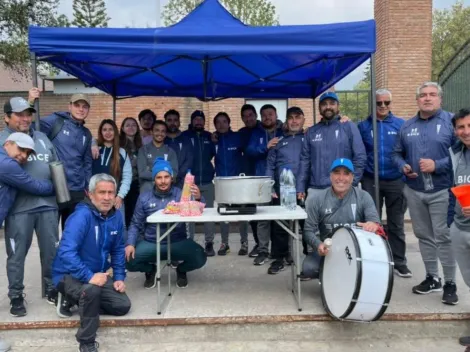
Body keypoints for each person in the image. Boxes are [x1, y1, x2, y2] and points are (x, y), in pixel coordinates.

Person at [392, 81, 458, 305]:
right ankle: (432, 277)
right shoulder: (407, 126)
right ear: (417, 100)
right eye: (423, 95)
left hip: (443, 190)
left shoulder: (452, 123)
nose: (427, 98)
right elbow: (396, 153)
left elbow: (462, 156)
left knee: (443, 236)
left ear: (440, 98)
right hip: (414, 190)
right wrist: (403, 166)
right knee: (424, 236)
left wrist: (437, 165)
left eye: (432, 95)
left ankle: (450, 282)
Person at [52, 173, 130, 352]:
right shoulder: (81, 216)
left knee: (122, 305)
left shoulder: (115, 217)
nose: (107, 197)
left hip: (97, 275)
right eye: (102, 192)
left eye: (111, 193)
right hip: (69, 274)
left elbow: (118, 250)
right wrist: (89, 276)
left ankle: (77, 299)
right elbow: (66, 252)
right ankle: (86, 343)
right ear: (90, 194)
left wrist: (118, 277)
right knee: (91, 291)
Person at [0, 97, 59, 316]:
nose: (25, 118)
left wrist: (61, 188)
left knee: (51, 251)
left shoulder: (42, 138)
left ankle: (52, 288)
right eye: (19, 114)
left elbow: (55, 165)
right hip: (18, 210)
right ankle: (16, 295)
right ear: (7, 117)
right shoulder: (2, 142)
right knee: (16, 255)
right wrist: (50, 188)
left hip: (48, 208)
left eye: (28, 114)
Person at [125, 158, 207, 289]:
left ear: (172, 178)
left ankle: (181, 270)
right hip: (152, 242)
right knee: (127, 259)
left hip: (177, 241)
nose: (163, 181)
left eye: (166, 177)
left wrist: (197, 197)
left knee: (200, 256)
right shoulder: (144, 197)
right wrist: (130, 244)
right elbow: (135, 224)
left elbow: (199, 209)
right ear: (154, 179)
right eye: (159, 177)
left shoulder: (180, 194)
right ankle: (150, 270)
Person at [358, 89, 411, 278]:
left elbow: (406, 151)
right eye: (378, 103)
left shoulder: (401, 125)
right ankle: (376, 260)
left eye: (386, 103)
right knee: (372, 222)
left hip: (396, 180)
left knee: (396, 223)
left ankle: (399, 262)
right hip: (371, 179)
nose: (382, 106)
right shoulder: (363, 126)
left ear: (391, 103)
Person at [302, 158, 381, 279]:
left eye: (346, 173)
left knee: (375, 267)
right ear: (330, 176)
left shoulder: (363, 196)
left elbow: (375, 222)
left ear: (352, 177)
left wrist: (372, 225)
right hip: (329, 250)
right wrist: (318, 245)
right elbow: (308, 231)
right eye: (337, 172)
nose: (341, 178)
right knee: (309, 268)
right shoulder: (317, 199)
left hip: (357, 250)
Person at [28, 88, 93, 231]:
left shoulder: (86, 133)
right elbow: (30, 127)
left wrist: (88, 187)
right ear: (69, 106)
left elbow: (87, 163)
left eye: (85, 107)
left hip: (77, 191)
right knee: (51, 236)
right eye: (77, 105)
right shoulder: (55, 121)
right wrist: (30, 102)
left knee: (73, 233)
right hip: (56, 188)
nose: (80, 109)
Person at [297, 92, 367, 202]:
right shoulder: (311, 132)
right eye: (324, 104)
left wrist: (351, 183)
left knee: (342, 220)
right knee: (313, 220)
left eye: (332, 103)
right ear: (319, 108)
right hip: (316, 190)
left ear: (338, 106)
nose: (328, 107)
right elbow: (304, 161)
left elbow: (360, 157)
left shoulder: (349, 127)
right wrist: (300, 187)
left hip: (342, 190)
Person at [264, 107, 306, 274]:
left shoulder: (309, 138)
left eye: (298, 118)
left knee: (307, 226)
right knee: (280, 226)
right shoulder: (278, 141)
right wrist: (270, 186)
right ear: (287, 121)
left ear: (303, 119)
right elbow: (270, 166)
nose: (294, 121)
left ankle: (310, 257)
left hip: (304, 190)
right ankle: (279, 258)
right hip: (282, 190)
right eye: (291, 118)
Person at [245, 104, 284, 265]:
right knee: (263, 219)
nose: (268, 117)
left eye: (270, 114)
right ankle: (262, 250)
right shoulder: (256, 133)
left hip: (282, 182)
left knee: (281, 219)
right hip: (261, 182)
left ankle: (281, 252)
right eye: (264, 115)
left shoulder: (284, 131)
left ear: (276, 115)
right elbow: (249, 152)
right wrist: (265, 147)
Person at [212, 112, 249, 256]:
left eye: (224, 122)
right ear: (215, 125)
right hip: (222, 183)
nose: (221, 125)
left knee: (242, 214)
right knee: (223, 215)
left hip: (238, 182)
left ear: (229, 123)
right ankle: (224, 243)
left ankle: (244, 243)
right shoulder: (213, 140)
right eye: (218, 122)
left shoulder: (237, 138)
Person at [449, 108, 470, 348]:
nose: (466, 132)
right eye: (461, 127)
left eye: (469, 126)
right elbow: (452, 187)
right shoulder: (457, 153)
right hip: (460, 227)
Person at [181, 110, 216, 254]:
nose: (198, 122)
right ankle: (190, 242)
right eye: (196, 119)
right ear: (192, 121)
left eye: (201, 119)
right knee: (190, 215)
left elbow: (216, 153)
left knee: (208, 214)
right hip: (190, 182)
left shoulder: (209, 136)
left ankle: (209, 243)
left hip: (207, 181)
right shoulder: (184, 136)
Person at [0, 133, 54, 225]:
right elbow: (35, 187)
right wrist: (57, 186)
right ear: (7, 144)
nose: (24, 156)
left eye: (28, 153)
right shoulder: (7, 164)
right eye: (21, 149)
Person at [92, 119, 132, 240]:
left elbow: (127, 177)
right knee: (96, 227)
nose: (108, 132)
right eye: (104, 130)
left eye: (110, 129)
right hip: (96, 198)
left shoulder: (122, 152)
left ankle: (121, 258)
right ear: (100, 132)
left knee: (120, 227)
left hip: (115, 198)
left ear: (115, 132)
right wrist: (93, 144)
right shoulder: (95, 150)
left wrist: (120, 196)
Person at [238, 104, 262, 257]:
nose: (248, 118)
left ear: (255, 115)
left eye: (251, 115)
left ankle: (277, 248)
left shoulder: (263, 129)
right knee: (252, 213)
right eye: (245, 116)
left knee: (269, 214)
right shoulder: (241, 133)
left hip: (264, 176)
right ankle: (259, 244)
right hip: (247, 178)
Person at [137, 120, 178, 193]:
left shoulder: (171, 152)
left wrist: (150, 170)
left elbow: (174, 173)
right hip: (147, 192)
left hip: (166, 193)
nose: (160, 133)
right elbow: (142, 173)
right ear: (152, 132)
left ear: (165, 134)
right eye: (157, 130)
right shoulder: (143, 150)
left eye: (163, 131)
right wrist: (165, 172)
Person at [119, 117, 143, 228]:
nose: (131, 127)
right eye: (127, 125)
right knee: (125, 214)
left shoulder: (140, 145)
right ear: (122, 128)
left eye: (133, 125)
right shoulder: (118, 143)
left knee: (135, 213)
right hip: (123, 183)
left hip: (137, 183)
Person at [164, 109, 193, 188]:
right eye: (169, 120)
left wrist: (176, 175)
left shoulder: (186, 139)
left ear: (179, 122)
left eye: (175, 120)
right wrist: (167, 176)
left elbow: (189, 160)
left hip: (183, 183)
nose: (172, 123)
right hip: (164, 182)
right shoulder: (161, 139)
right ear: (165, 122)